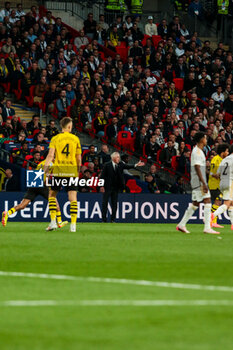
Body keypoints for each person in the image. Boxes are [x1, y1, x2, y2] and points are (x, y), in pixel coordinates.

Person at [1, 160, 67, 229]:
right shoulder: (51, 163)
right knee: (54, 200)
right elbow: (46, 176)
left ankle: (7, 213)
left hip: (33, 183)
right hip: (40, 184)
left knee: (22, 205)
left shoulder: (41, 163)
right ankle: (59, 222)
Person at [177, 132, 220, 234]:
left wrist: (211, 174)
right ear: (201, 139)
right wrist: (203, 183)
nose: (206, 140)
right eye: (205, 138)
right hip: (198, 181)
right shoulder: (197, 152)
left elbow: (200, 168)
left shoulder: (200, 151)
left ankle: (182, 224)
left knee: (195, 204)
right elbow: (197, 167)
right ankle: (207, 227)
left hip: (198, 180)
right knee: (208, 200)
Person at [44, 117, 82, 232]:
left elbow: (50, 155)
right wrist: (78, 170)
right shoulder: (75, 139)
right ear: (69, 126)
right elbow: (78, 158)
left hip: (58, 171)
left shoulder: (55, 138)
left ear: (62, 126)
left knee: (52, 195)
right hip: (71, 171)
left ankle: (53, 222)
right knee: (72, 198)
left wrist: (45, 170)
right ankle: (73, 225)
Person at [101, 152, 144, 222]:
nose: (119, 158)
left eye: (119, 157)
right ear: (113, 158)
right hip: (107, 187)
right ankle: (104, 219)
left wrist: (136, 165)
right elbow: (102, 176)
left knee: (114, 204)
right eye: (117, 157)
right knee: (105, 203)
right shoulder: (107, 165)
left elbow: (128, 166)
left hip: (116, 187)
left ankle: (112, 219)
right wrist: (101, 186)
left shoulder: (121, 164)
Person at [210, 145, 233, 229]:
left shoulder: (224, 160)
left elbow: (218, 173)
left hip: (222, 183)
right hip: (230, 183)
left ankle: (232, 224)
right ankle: (212, 215)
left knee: (231, 204)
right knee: (227, 204)